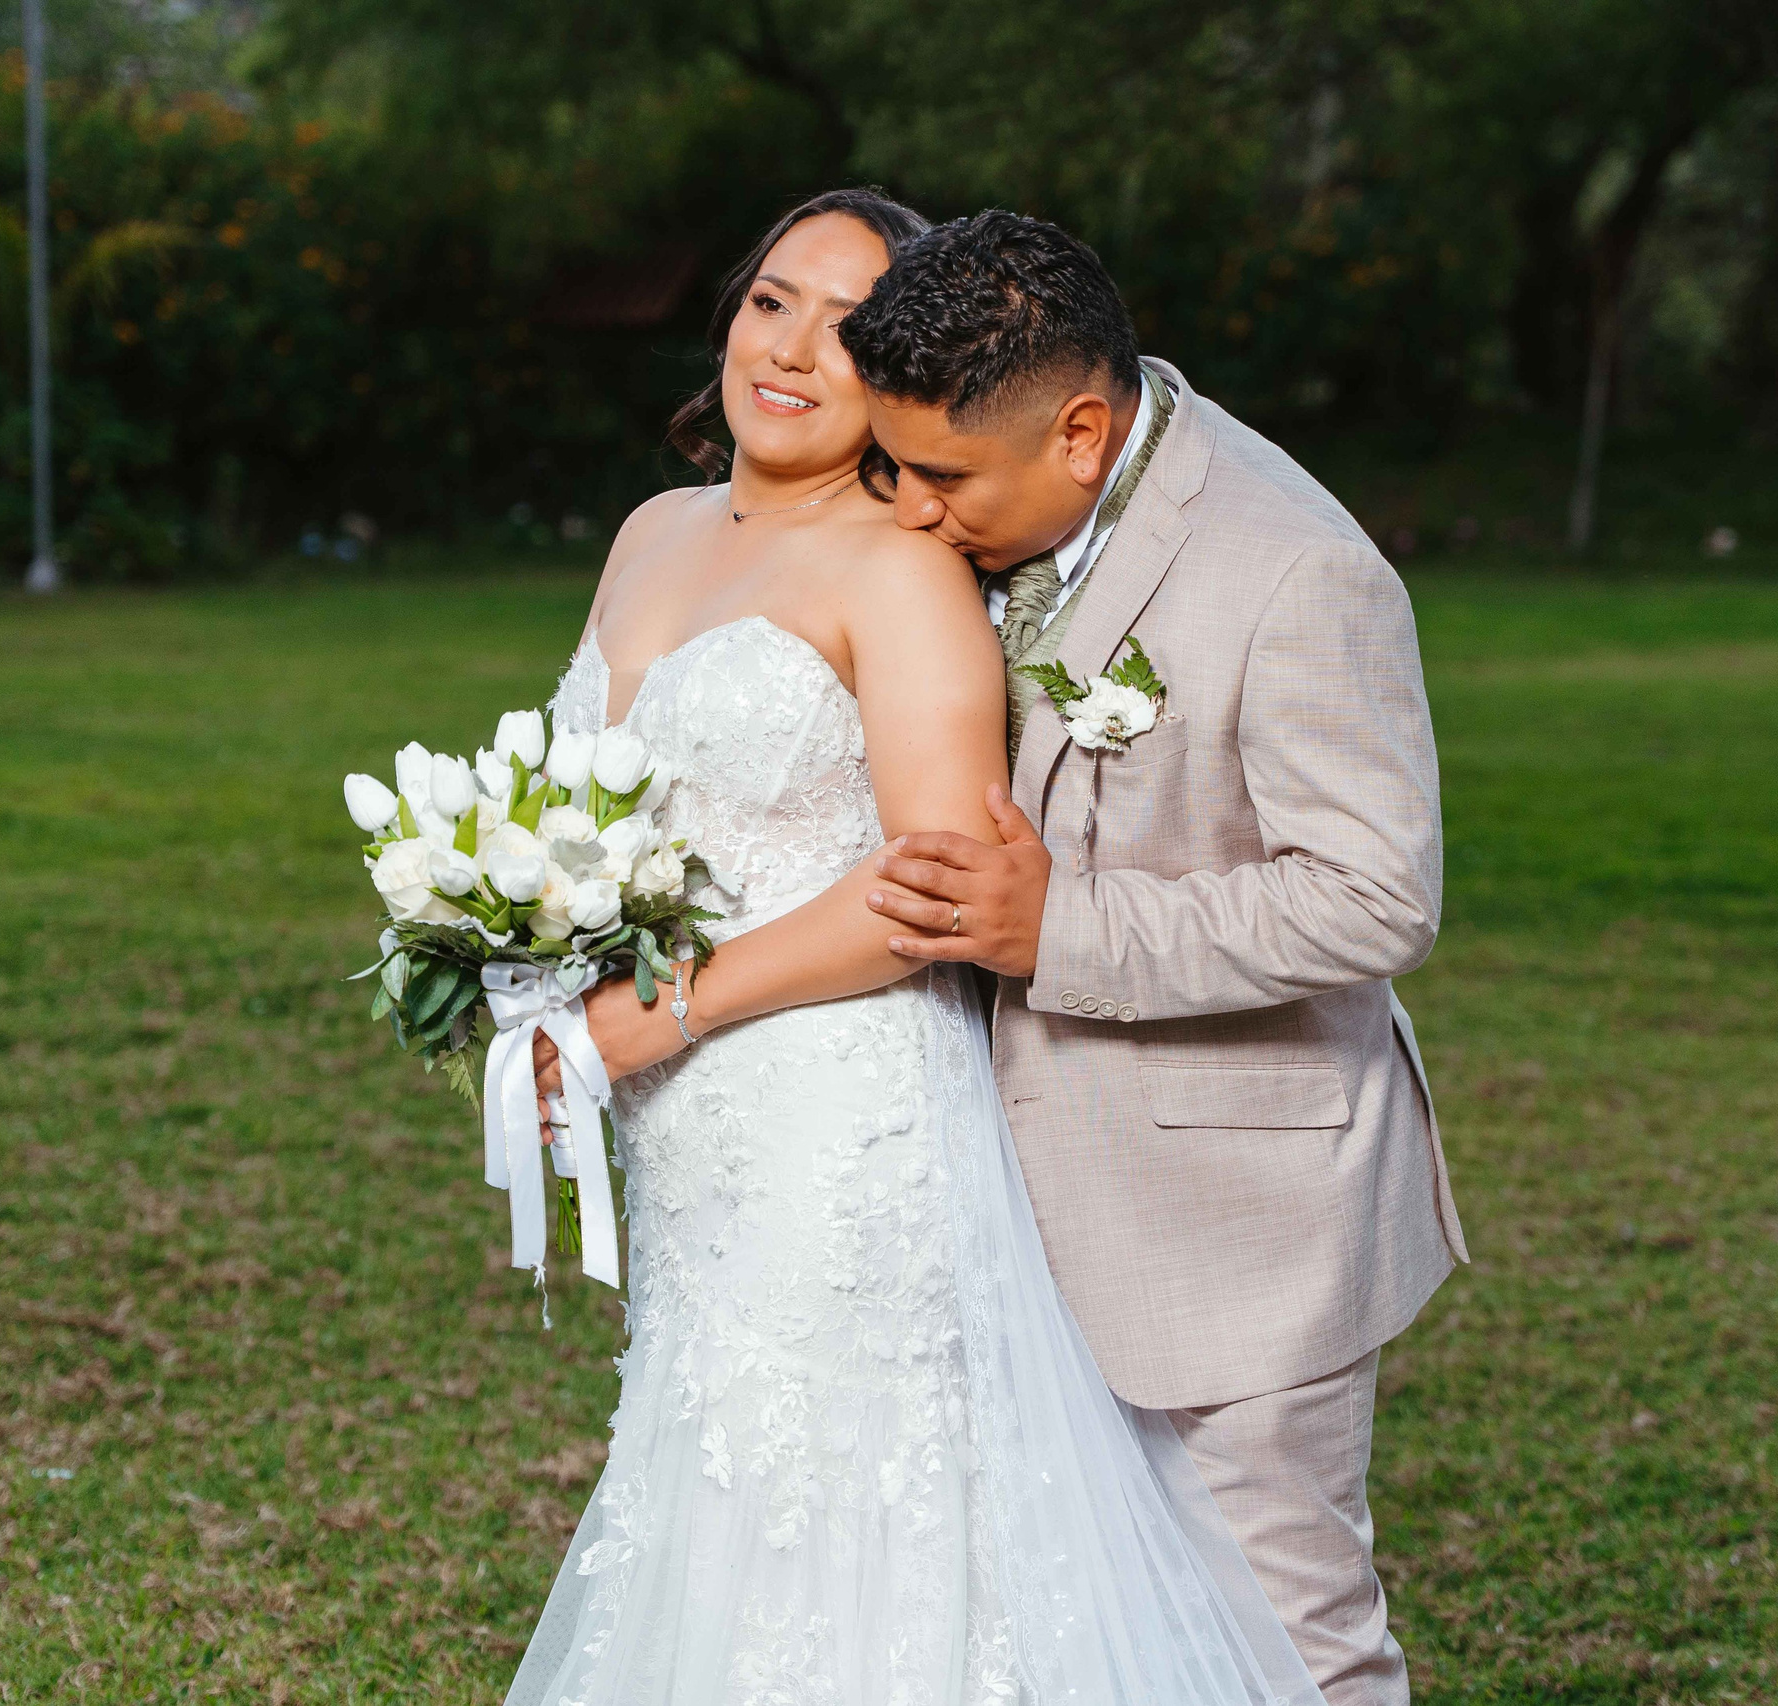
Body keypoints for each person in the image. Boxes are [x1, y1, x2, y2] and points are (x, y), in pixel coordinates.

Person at [507, 188, 1330, 1706]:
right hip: (684, 1123)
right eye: (771, 301)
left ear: (899, 374)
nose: (790, 350)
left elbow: (928, 893)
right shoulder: (649, 533)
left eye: (844, 328)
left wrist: (662, 1011)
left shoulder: (900, 568)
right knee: (713, 1470)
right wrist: (536, 978)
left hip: (837, 1108)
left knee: (845, 1509)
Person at [838, 210, 1467, 1702]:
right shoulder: (1017, 498)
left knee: (1284, 1640)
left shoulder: (1294, 571)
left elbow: (1378, 896)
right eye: (894, 469)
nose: (911, 513)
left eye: (941, 478)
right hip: (1017, 1188)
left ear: (1079, 431)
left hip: (1236, 1217)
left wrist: (1062, 929)